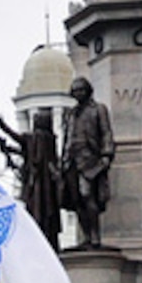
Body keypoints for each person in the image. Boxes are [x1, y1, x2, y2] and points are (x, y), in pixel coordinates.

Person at [0, 110, 63, 251]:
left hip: (38, 183)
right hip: (44, 185)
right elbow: (25, 151)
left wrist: (2, 125)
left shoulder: (38, 138)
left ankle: (39, 238)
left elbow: (18, 140)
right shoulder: (50, 139)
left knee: (37, 211)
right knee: (45, 214)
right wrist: (7, 148)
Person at [60, 77, 115, 249]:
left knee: (88, 196)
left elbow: (106, 133)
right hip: (71, 162)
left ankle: (95, 236)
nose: (78, 94)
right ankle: (86, 237)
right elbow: (67, 137)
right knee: (76, 201)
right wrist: (63, 159)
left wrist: (106, 154)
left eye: (81, 90)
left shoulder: (98, 109)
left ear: (88, 91)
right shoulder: (70, 113)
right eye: (75, 91)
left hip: (90, 161)